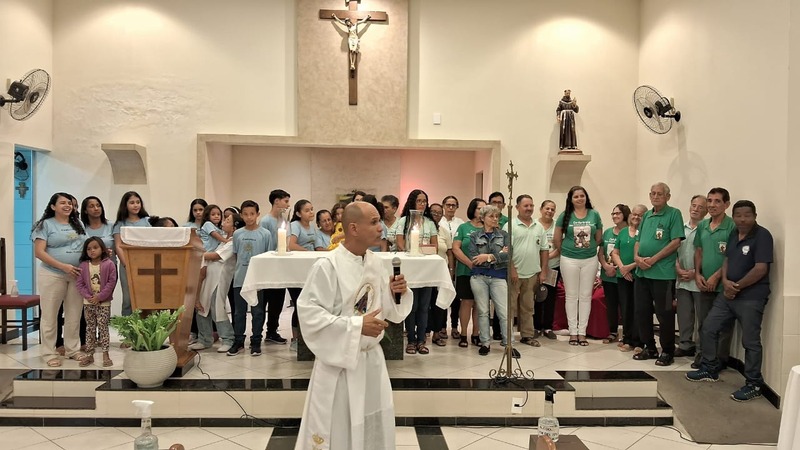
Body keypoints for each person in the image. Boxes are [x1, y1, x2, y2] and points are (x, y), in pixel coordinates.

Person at [295, 201, 411, 450]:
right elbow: (310, 316)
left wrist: (395, 292)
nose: (381, 228)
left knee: (371, 423)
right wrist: (357, 326)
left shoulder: (374, 262)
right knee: (340, 428)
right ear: (354, 228)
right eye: (374, 222)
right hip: (340, 366)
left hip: (372, 361)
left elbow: (388, 311)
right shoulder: (328, 266)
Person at [686, 200, 773, 402]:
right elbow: (727, 260)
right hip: (727, 295)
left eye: (747, 215)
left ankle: (754, 384)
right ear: (733, 217)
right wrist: (725, 281)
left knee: (750, 341)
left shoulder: (763, 235)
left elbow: (761, 268)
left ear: (755, 216)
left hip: (751, 298)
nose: (742, 219)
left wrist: (737, 286)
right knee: (708, 327)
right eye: (738, 215)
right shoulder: (734, 233)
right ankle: (709, 368)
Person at [31, 192, 88, 367]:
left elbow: (84, 245)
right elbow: (39, 252)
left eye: (69, 203)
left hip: (76, 275)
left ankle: (73, 350)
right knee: (50, 315)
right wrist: (63, 266)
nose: (67, 205)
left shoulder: (78, 223)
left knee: (74, 315)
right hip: (52, 274)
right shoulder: (45, 225)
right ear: (53, 206)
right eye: (62, 203)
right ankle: (49, 353)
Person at [633, 182, 685, 366]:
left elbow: (676, 242)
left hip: (662, 274)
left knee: (664, 314)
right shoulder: (646, 215)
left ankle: (668, 351)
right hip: (642, 273)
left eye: (660, 194)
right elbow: (638, 240)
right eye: (653, 193)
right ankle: (650, 347)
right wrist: (637, 258)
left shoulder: (674, 214)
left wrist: (653, 259)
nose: (655, 196)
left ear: (667, 197)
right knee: (642, 311)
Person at [691, 187, 736, 369]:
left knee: (723, 324)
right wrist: (697, 274)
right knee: (704, 322)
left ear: (726, 204)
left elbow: (732, 256)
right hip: (704, 283)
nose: (712, 205)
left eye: (717, 201)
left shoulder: (732, 226)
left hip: (723, 284)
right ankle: (704, 355)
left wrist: (717, 276)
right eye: (709, 201)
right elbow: (699, 251)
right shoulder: (702, 225)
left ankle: (720, 359)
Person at [552, 186, 602, 346]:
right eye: (576, 197)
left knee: (586, 296)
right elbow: (556, 238)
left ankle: (582, 333)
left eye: (582, 196)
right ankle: (573, 332)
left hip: (589, 260)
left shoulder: (594, 214)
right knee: (571, 296)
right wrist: (565, 251)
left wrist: (589, 248)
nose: (580, 199)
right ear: (571, 200)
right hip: (569, 260)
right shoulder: (564, 215)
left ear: (586, 197)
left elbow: (598, 237)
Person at [466, 205, 517, 357]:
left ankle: (509, 345)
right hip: (479, 277)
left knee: (504, 312)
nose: (495, 219)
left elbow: (509, 255)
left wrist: (488, 257)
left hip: (498, 276)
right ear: (483, 218)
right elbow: (474, 258)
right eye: (491, 216)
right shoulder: (474, 236)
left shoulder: (504, 235)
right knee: (483, 311)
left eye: (497, 216)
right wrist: (498, 255)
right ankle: (485, 343)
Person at [191, 212, 244, 353]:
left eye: (227, 220)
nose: (223, 221)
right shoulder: (222, 241)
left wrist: (196, 253)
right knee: (202, 307)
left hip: (219, 280)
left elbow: (215, 256)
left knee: (217, 308)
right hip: (208, 278)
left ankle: (228, 339)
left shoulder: (233, 242)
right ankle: (204, 339)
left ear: (234, 227)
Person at [395, 189, 438, 355]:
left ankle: (421, 340)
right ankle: (411, 340)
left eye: (424, 201)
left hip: (425, 267)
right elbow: (400, 243)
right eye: (419, 201)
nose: (422, 204)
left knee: (424, 306)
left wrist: (423, 250)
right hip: (410, 267)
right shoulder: (404, 221)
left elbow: (434, 245)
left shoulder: (429, 222)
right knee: (411, 306)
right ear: (412, 202)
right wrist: (411, 251)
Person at [228, 200, 272, 357]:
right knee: (239, 312)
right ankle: (238, 341)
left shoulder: (265, 234)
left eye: (252, 214)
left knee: (257, 311)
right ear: (241, 215)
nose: (249, 217)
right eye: (245, 214)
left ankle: (256, 341)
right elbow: (236, 255)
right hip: (240, 278)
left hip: (257, 279)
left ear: (258, 214)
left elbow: (268, 257)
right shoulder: (237, 234)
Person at [504, 195, 548, 347]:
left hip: (532, 274)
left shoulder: (538, 226)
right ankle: (508, 337)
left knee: (528, 307)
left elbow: (544, 250)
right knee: (510, 308)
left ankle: (527, 335)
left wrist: (543, 271)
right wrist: (512, 270)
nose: (529, 208)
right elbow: (506, 250)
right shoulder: (510, 226)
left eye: (531, 205)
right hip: (514, 274)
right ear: (517, 207)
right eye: (525, 206)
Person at [75, 236, 117, 367]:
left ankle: (105, 354)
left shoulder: (109, 264)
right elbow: (80, 284)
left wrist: (100, 297)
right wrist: (89, 297)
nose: (92, 251)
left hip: (103, 303)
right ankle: (89, 354)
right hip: (88, 303)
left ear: (102, 249)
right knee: (90, 328)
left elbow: (111, 282)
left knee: (103, 327)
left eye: (95, 247)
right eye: (89, 249)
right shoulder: (83, 266)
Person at [675, 195, 708, 358]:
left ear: (706, 211)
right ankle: (685, 344)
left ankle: (702, 349)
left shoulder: (707, 229)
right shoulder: (680, 229)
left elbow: (708, 254)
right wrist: (678, 269)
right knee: (684, 315)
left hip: (700, 279)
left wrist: (695, 272)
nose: (695, 209)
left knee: (703, 317)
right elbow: (674, 251)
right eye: (693, 205)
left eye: (700, 207)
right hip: (682, 279)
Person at [611, 204, 647, 352]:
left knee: (638, 309)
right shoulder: (623, 232)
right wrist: (622, 268)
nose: (636, 217)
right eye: (634, 214)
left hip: (638, 275)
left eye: (640, 215)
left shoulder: (645, 233)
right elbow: (615, 252)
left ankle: (638, 341)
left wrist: (630, 267)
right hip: (623, 276)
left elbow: (645, 255)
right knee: (626, 308)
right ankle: (627, 339)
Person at [452, 198, 485, 348]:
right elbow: (456, 248)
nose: (482, 211)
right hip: (465, 270)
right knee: (466, 301)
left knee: (479, 304)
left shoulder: (489, 228)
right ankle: (464, 334)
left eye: (485, 208)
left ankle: (476, 334)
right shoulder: (463, 227)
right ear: (473, 210)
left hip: (484, 271)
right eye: (479, 208)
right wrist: (469, 263)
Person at [260, 189, 292, 345]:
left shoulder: (283, 220)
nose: (288, 205)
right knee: (266, 301)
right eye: (286, 201)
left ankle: (272, 330)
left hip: (281, 265)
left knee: (277, 301)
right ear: (276, 201)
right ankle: (259, 333)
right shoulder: (266, 221)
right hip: (269, 266)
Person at [112, 191, 151, 317]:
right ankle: (127, 327)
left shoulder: (147, 221)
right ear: (125, 205)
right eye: (132, 202)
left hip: (146, 265)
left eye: (138, 202)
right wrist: (127, 264)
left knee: (145, 297)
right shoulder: (120, 224)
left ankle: (145, 327)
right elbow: (118, 246)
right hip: (127, 265)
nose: (136, 205)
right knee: (128, 299)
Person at [599, 204, 629, 344]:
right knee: (611, 306)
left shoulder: (630, 232)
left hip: (623, 275)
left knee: (625, 306)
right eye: (613, 213)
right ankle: (612, 332)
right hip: (608, 275)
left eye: (618, 213)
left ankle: (627, 334)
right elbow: (601, 253)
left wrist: (618, 268)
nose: (615, 216)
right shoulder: (607, 232)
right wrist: (605, 266)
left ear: (625, 215)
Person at [427, 202, 453, 346]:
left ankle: (437, 333)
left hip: (441, 272)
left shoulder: (444, 231)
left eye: (439, 212)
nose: (436, 214)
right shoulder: (423, 228)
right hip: (425, 271)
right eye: (433, 212)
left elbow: (449, 252)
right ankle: (423, 331)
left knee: (439, 303)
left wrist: (451, 271)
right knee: (425, 303)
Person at [535, 200, 560, 340]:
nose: (549, 211)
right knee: (536, 297)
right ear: (541, 209)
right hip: (536, 267)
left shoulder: (557, 226)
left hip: (553, 266)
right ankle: (536, 327)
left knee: (550, 297)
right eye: (547, 208)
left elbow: (560, 247)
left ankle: (548, 327)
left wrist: (547, 257)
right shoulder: (534, 225)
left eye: (552, 209)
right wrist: (542, 259)